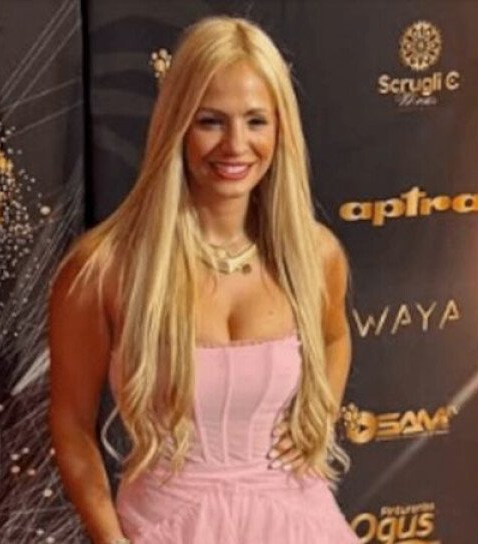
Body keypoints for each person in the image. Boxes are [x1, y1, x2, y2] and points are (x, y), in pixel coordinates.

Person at [49, 16, 358, 544]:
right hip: (166, 524)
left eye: (256, 121)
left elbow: (335, 336)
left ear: (280, 128)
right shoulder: (103, 267)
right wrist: (111, 538)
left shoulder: (314, 253)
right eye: (211, 121)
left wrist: (321, 414)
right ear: (177, 124)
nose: (236, 145)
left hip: (299, 519)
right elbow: (72, 422)